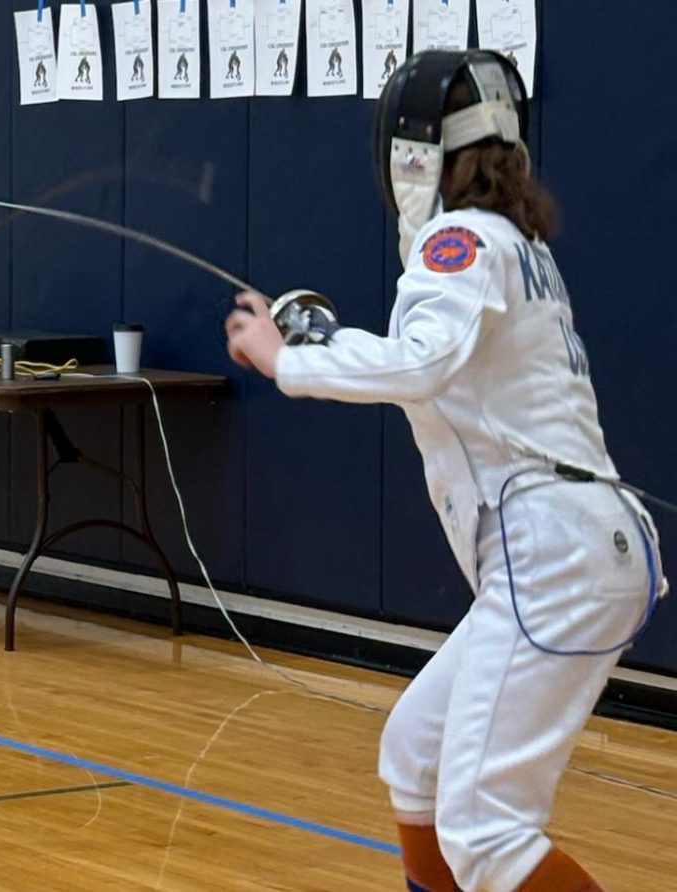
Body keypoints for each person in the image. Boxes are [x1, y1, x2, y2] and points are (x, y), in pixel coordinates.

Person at [225, 50, 664, 892]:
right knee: (416, 757)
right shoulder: (513, 244)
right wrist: (323, 346)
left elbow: (421, 364)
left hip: (555, 556)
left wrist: (287, 361)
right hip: (570, 546)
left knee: (485, 831)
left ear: (414, 158)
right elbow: (434, 358)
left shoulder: (456, 239)